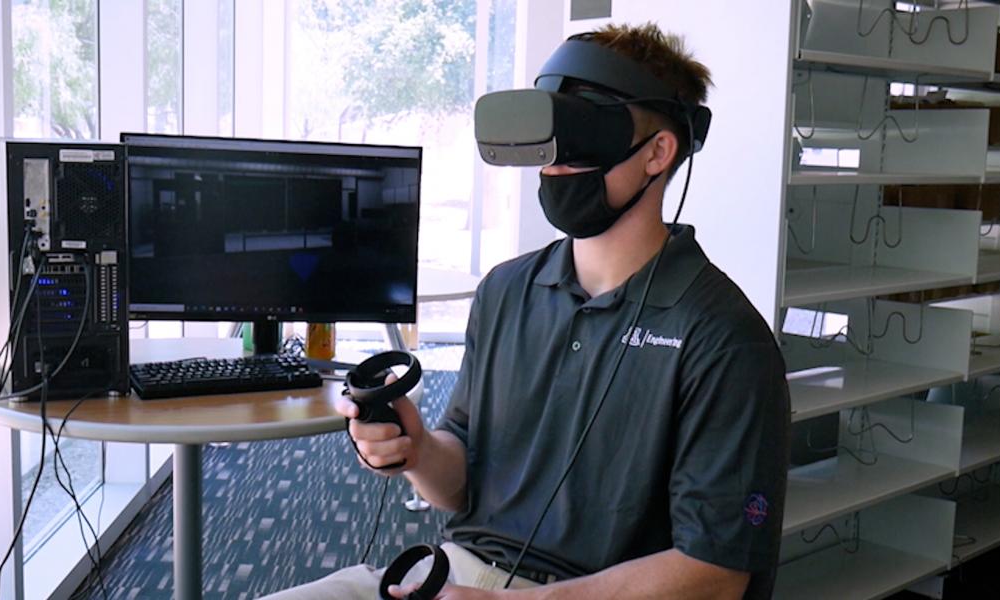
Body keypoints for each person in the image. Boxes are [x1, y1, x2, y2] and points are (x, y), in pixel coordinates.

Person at [263, 22, 789, 600]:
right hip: (455, 575)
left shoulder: (723, 338)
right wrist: (415, 450)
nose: (557, 161)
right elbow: (460, 484)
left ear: (658, 152)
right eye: (549, 133)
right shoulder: (506, 290)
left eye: (583, 131)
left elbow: (715, 573)